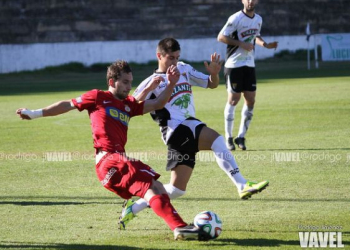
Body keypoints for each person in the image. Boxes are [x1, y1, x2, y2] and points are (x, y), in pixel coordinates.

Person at [16, 60, 210, 241]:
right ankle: (179, 227)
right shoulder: (98, 97)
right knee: (153, 187)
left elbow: (157, 104)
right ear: (112, 81)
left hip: (117, 161)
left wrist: (171, 83)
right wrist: (34, 114)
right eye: (125, 82)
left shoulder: (128, 105)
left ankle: (179, 228)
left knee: (156, 187)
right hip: (108, 160)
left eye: (130, 83)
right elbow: (67, 104)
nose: (128, 87)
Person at [118, 38, 269, 230]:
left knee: (177, 189)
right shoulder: (152, 81)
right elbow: (130, 105)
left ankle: (135, 206)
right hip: (176, 130)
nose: (174, 62)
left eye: (177, 57)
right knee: (217, 139)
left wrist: (214, 74)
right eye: (171, 58)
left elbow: (211, 84)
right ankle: (241, 184)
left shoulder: (184, 69)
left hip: (186, 129)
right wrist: (148, 89)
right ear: (159, 56)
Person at [217, 0, 278, 150]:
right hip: (233, 65)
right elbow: (221, 37)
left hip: (249, 65)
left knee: (250, 100)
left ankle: (241, 137)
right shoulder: (235, 18)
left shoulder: (258, 19)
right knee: (233, 100)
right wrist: (241, 44)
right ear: (243, 1)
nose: (250, 1)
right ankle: (228, 138)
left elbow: (256, 36)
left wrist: (266, 45)